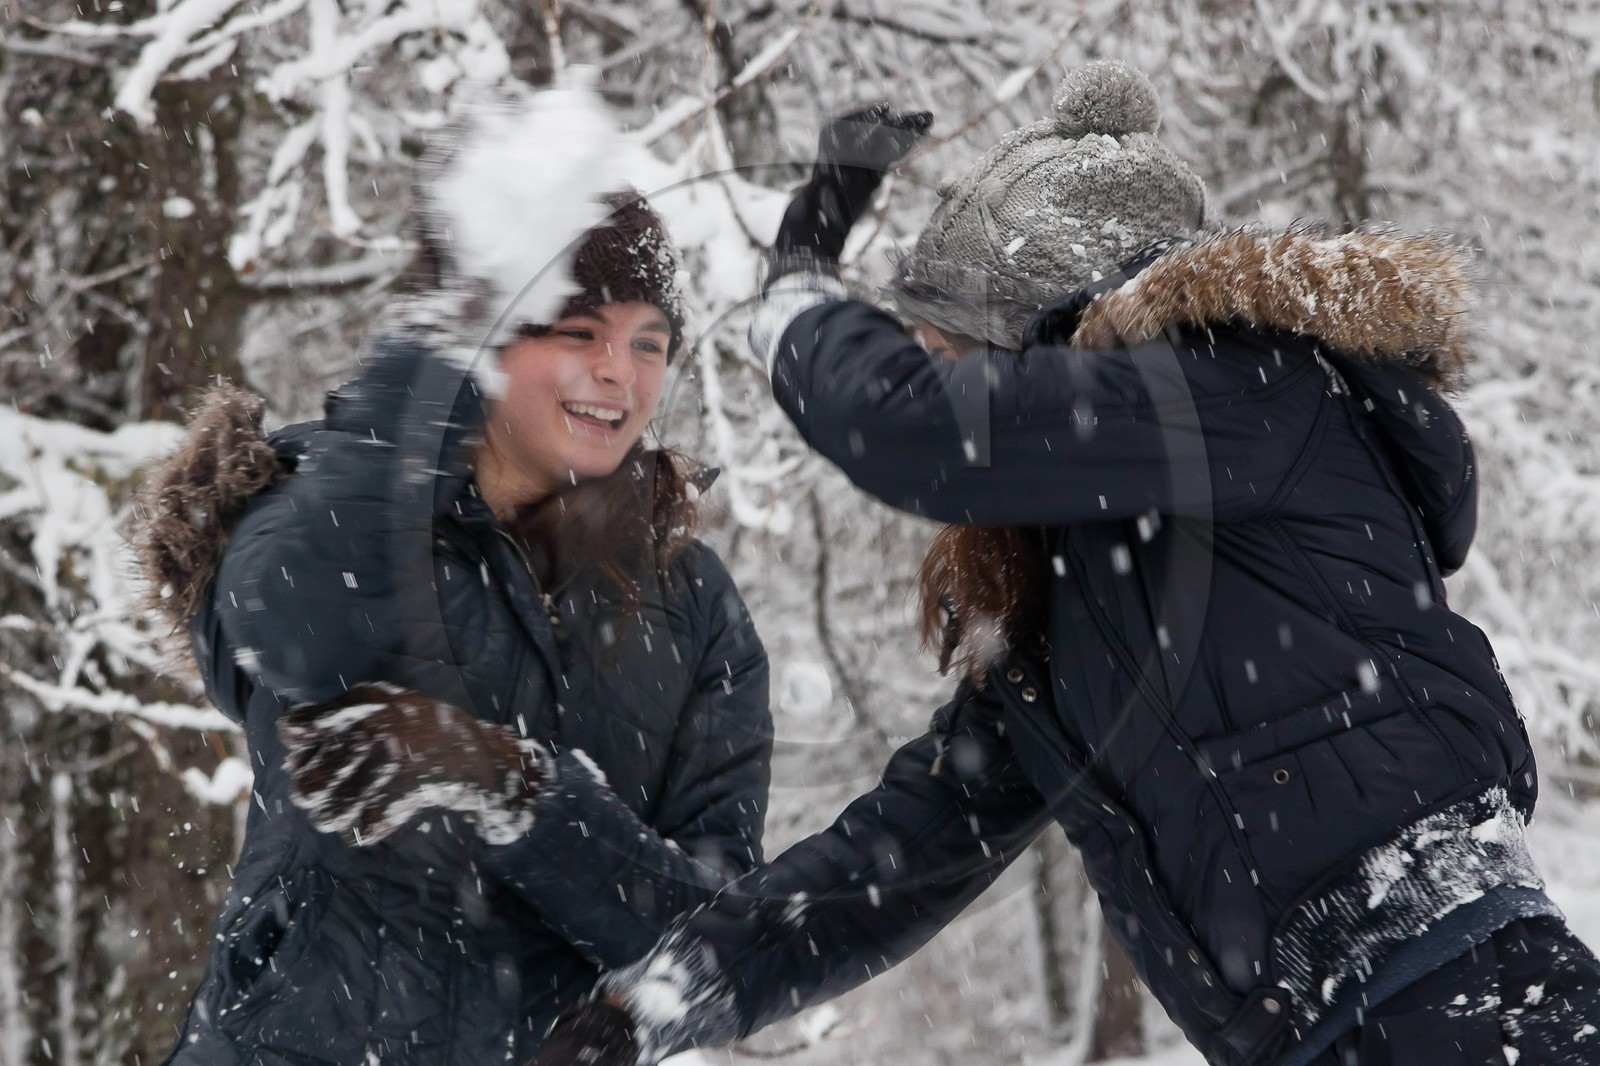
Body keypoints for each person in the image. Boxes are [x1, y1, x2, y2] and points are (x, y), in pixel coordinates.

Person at [529, 62, 1600, 1066]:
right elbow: (897, 860)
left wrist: (800, 280)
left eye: (949, 351)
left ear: (1035, 332)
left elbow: (904, 427)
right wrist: (650, 1005)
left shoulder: (1237, 390)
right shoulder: (1077, 626)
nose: (940, 372)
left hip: (1459, 993)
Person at [134, 101, 772, 1064]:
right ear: (493, 338)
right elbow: (298, 630)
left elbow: (719, 941)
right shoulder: (337, 499)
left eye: (650, 342)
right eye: (582, 330)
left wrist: (516, 788)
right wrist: (436, 336)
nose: (619, 373)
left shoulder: (692, 606)